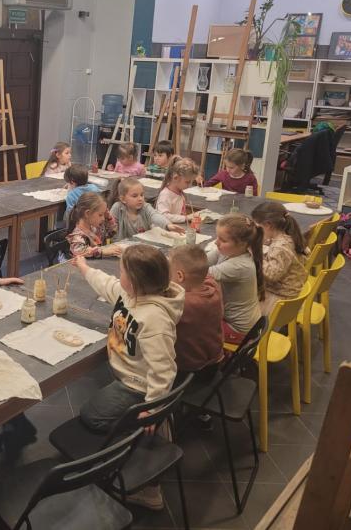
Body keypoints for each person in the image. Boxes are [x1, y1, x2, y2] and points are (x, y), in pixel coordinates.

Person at [72, 245, 184, 510]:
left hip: (138, 386)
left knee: (91, 415)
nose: (118, 275)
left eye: (121, 271)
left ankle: (142, 445)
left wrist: (153, 408)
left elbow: (164, 370)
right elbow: (107, 285)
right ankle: (150, 424)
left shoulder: (155, 319)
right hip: (127, 375)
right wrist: (84, 267)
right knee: (99, 403)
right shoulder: (132, 294)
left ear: (134, 280)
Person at [206, 214, 264, 345]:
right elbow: (202, 261)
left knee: (193, 327)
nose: (216, 242)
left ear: (242, 244)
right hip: (243, 323)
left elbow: (199, 273)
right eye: (217, 237)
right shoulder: (228, 252)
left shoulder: (240, 265)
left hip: (240, 331)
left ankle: (220, 356)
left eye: (223, 240)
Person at [168, 245, 224, 377]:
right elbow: (204, 274)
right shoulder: (213, 287)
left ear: (180, 276)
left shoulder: (182, 304)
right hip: (215, 360)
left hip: (191, 371)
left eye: (169, 273)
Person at [252, 201, 308, 316]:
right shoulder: (288, 237)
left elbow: (271, 275)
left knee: (239, 305)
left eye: (258, 227)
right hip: (290, 292)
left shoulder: (280, 246)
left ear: (268, 225)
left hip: (280, 300)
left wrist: (255, 255)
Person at [109, 177, 183, 240]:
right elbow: (111, 229)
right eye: (135, 196)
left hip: (141, 246)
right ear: (123, 199)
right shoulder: (117, 208)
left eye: (141, 195)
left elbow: (155, 215)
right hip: (121, 246)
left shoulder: (145, 207)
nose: (140, 199)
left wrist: (167, 225)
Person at [66, 191, 119, 259]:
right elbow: (80, 251)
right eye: (100, 215)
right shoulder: (77, 235)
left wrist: (109, 217)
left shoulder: (95, 227)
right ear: (87, 213)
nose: (103, 218)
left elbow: (112, 232)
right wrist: (102, 252)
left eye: (103, 214)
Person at [156, 157, 199, 224]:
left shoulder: (180, 193)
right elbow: (163, 216)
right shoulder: (165, 195)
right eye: (187, 182)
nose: (189, 185)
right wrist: (186, 218)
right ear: (176, 178)